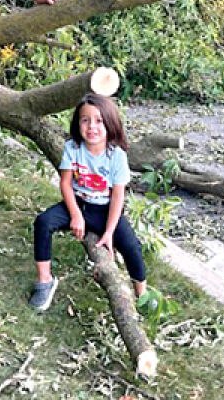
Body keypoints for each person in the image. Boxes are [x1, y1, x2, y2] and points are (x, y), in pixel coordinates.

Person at [30, 93, 147, 312]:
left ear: (110, 124)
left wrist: (110, 232)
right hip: (79, 203)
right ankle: (45, 280)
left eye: (99, 120)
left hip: (105, 210)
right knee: (43, 222)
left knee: (132, 246)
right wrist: (75, 214)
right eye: (85, 120)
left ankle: (142, 292)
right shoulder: (73, 148)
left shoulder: (116, 156)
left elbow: (118, 197)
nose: (92, 126)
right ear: (77, 124)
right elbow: (65, 183)